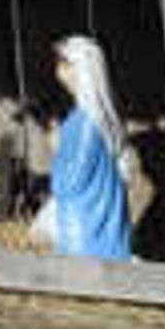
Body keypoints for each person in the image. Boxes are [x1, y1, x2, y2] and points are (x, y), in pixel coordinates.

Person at [38, 36, 137, 263]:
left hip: (84, 218)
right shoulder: (91, 116)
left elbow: (73, 177)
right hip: (102, 203)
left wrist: (57, 149)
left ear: (80, 70)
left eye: (64, 65)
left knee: (89, 261)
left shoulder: (85, 120)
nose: (59, 72)